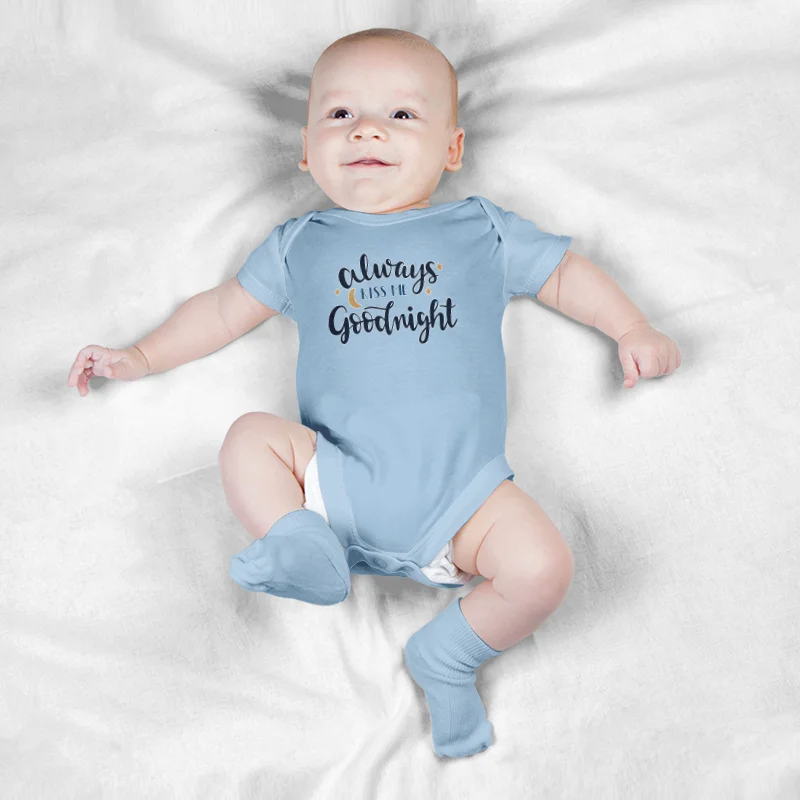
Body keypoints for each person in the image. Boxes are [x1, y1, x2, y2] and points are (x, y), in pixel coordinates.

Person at [66, 28, 682, 759]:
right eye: (340, 115)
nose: (366, 129)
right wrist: (140, 355)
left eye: (401, 115)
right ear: (306, 151)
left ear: (452, 148)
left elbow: (564, 273)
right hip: (333, 482)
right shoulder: (299, 244)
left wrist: (630, 326)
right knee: (249, 439)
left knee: (545, 566)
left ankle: (448, 655)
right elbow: (223, 311)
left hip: (464, 500)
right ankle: (296, 541)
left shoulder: (478, 231)